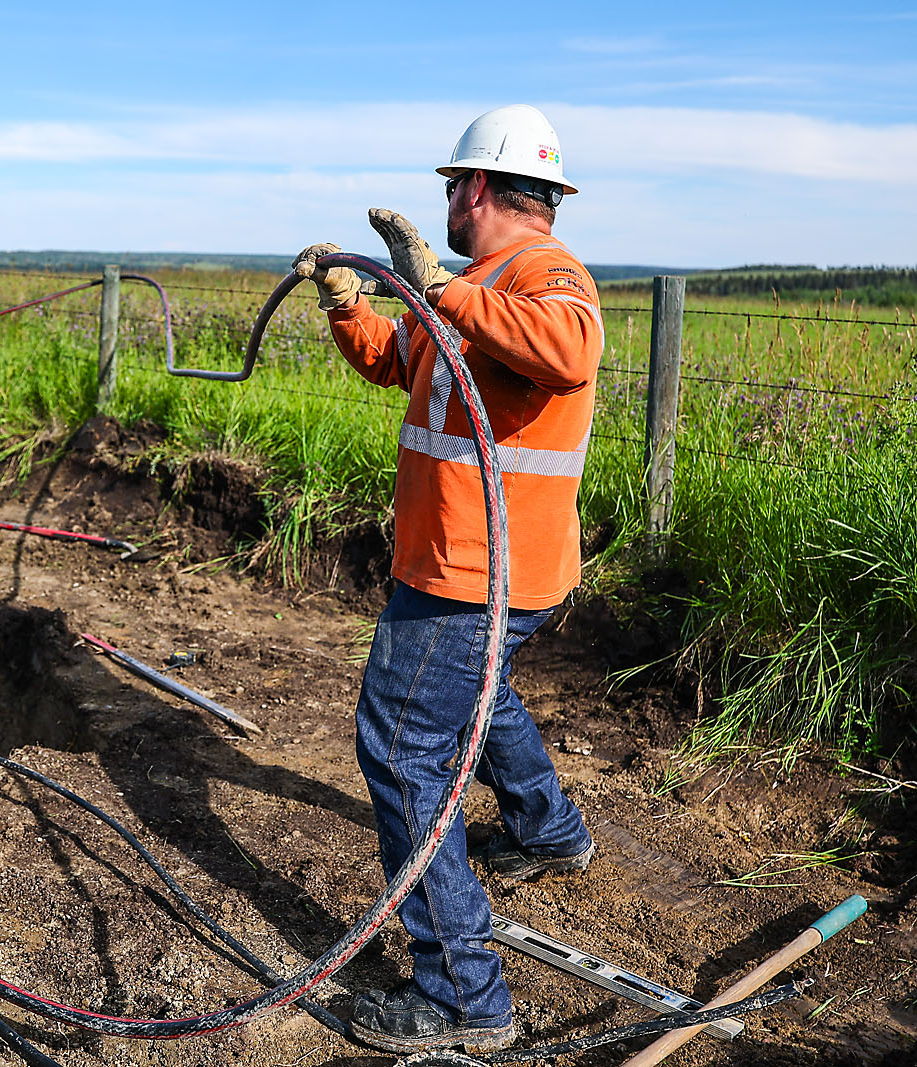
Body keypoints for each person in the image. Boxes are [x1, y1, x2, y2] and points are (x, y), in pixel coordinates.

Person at [292, 104, 600, 1054]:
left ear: (478, 188)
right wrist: (351, 305)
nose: (449, 203)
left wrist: (439, 287)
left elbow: (569, 350)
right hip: (476, 566)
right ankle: (547, 830)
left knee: (401, 745)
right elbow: (401, 362)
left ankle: (464, 993)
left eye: (453, 185)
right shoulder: (474, 288)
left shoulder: (546, 274)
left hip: (475, 572)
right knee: (480, 691)